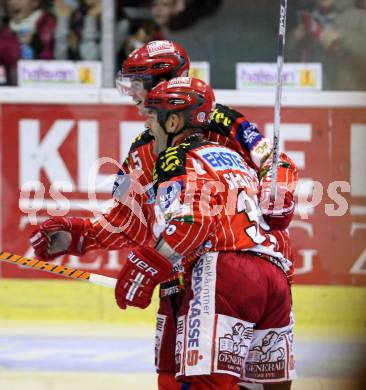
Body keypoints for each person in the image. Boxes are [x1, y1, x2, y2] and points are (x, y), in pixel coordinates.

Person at [30, 41, 298, 389]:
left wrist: (280, 192)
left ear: (165, 83)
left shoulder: (224, 121)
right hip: (190, 272)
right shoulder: (146, 145)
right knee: (177, 376)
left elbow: (276, 163)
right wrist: (80, 234)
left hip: (226, 268)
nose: (131, 95)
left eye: (137, 84)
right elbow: (131, 219)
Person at [112, 76, 296, 388]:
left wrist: (145, 264)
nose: (147, 128)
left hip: (225, 274)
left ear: (172, 121)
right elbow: (276, 182)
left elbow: (190, 224)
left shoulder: (174, 157)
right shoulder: (235, 157)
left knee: (206, 385)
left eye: (150, 118)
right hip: (275, 279)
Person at [0, 0, 56, 85]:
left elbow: (60, 62)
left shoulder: (52, 26)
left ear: (35, 2)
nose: (14, 2)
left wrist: (35, 45)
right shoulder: (4, 34)